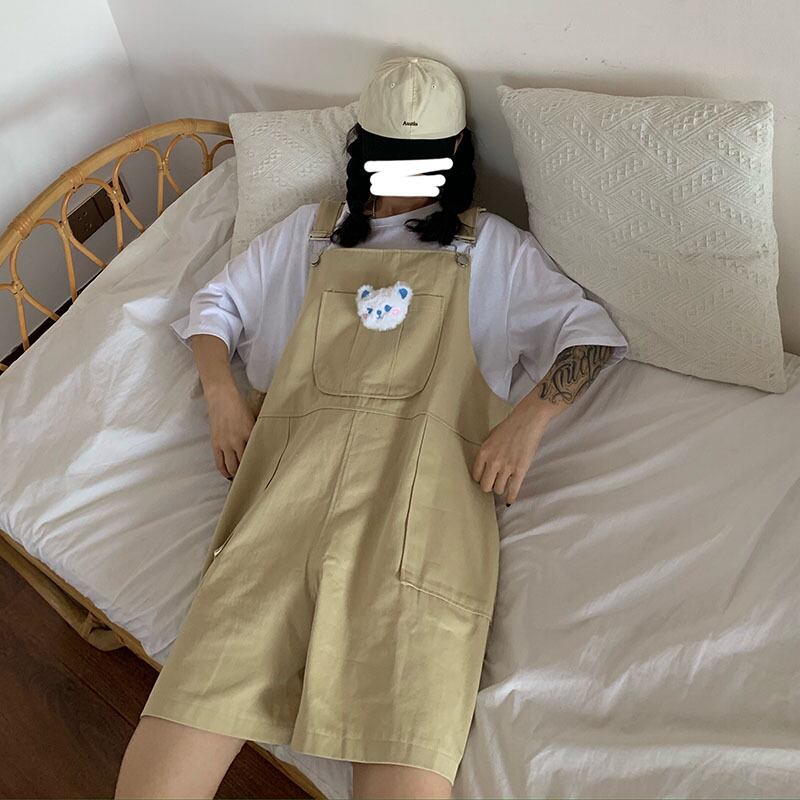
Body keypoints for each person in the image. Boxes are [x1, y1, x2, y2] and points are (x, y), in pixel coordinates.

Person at [115, 56, 628, 800]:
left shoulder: (491, 249)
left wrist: (529, 420)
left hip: (419, 533)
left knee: (404, 745)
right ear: (360, 150)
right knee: (186, 722)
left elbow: (591, 335)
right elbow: (212, 309)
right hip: (284, 511)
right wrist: (221, 396)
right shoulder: (309, 236)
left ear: (454, 157)